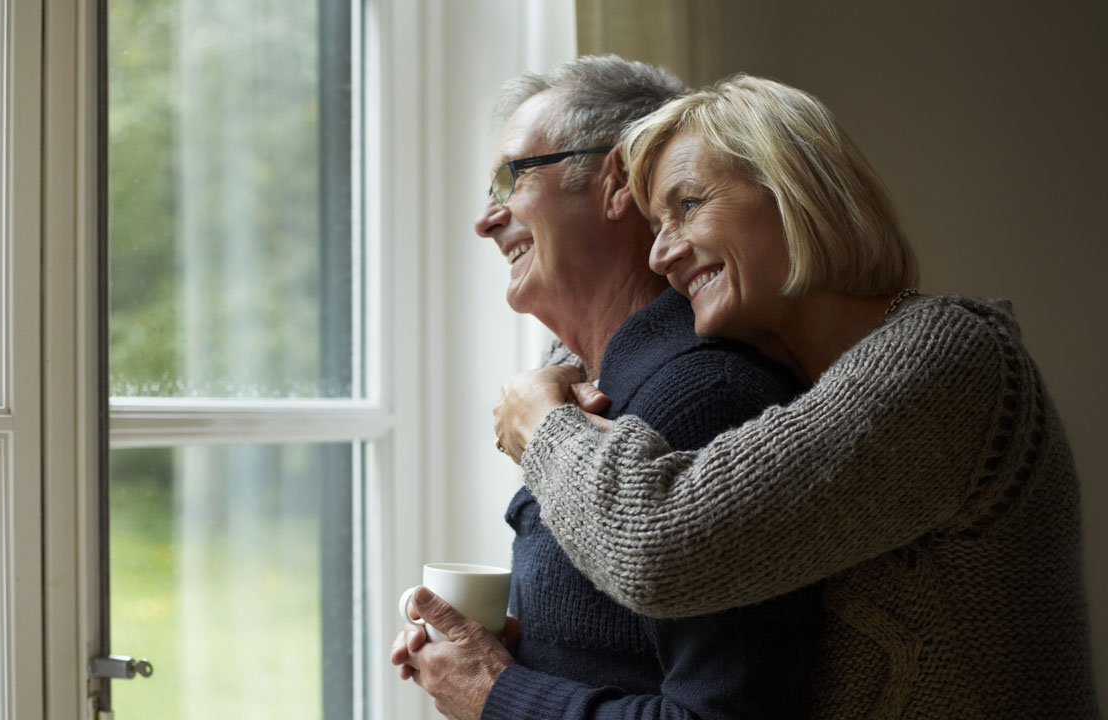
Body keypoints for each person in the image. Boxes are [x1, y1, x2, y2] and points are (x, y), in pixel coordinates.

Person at [491, 73, 1100, 718]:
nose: (663, 253)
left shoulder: (952, 358)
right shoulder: (810, 386)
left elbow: (662, 547)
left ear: (793, 192)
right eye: (655, 222)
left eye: (688, 205)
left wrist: (545, 424)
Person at [391, 57, 824, 720]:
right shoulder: (600, 389)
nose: (485, 220)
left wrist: (492, 693)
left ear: (618, 180)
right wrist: (509, 652)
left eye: (510, 178)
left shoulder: (704, 397)